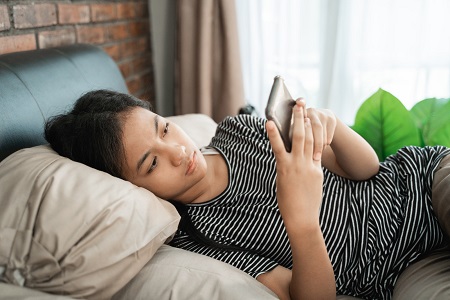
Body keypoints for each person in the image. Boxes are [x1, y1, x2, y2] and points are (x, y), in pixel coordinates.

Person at [45, 89, 450, 300]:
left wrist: (333, 126)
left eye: (164, 128)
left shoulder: (241, 130)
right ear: (132, 188)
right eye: (151, 164)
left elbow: (369, 169)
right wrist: (303, 222)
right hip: (401, 271)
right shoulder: (201, 239)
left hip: (423, 184)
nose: (178, 151)